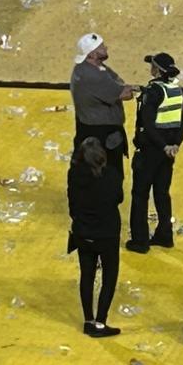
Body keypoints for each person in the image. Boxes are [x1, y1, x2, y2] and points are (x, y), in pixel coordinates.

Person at [126, 52, 183, 254]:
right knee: (162, 193)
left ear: (157, 70)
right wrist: (174, 145)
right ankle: (165, 235)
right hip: (168, 152)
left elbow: (148, 125)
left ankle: (140, 240)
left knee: (140, 195)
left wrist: (161, 145)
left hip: (150, 150)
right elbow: (182, 121)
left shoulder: (153, 92)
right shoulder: (176, 89)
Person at [67, 137, 124, 338]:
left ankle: (88, 320)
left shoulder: (74, 175)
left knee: (87, 275)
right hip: (107, 233)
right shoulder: (112, 175)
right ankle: (101, 321)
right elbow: (119, 198)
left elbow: (71, 203)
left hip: (83, 232)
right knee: (109, 276)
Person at [70, 33, 135, 178]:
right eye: (101, 47)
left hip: (91, 128)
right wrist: (122, 88)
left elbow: (118, 81)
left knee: (91, 171)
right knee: (108, 173)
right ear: (92, 54)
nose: (105, 47)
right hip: (102, 134)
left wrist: (120, 86)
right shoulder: (93, 76)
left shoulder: (89, 67)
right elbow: (126, 94)